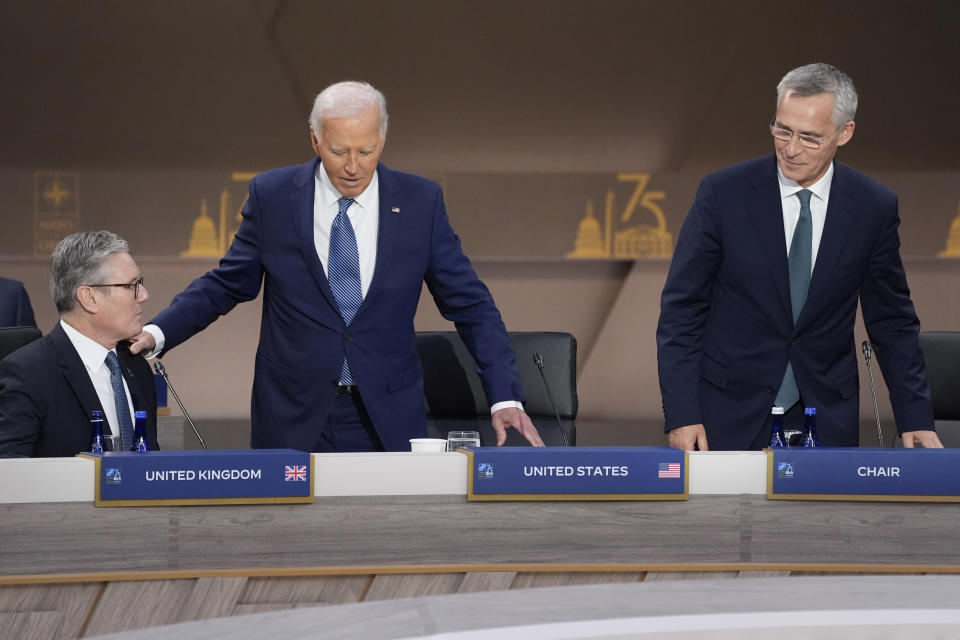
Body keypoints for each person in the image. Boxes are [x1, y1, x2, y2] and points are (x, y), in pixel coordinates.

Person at [130, 80, 543, 452]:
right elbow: (227, 284)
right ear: (315, 139)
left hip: (387, 416)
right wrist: (158, 332)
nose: (353, 166)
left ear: (383, 138)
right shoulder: (273, 196)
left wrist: (504, 395)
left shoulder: (421, 202)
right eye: (339, 150)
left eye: (367, 151)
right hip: (293, 414)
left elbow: (470, 305)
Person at [657, 62, 940, 451]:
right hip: (725, 414)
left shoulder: (872, 207)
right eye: (782, 130)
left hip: (824, 416)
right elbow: (682, 310)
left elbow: (892, 321)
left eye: (809, 137)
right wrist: (682, 413)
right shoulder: (724, 195)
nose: (790, 149)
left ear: (845, 133)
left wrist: (915, 417)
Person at [0, 231, 158, 457]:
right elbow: (9, 474)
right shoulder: (27, 374)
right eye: (132, 285)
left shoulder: (137, 367)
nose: (144, 294)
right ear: (89, 297)